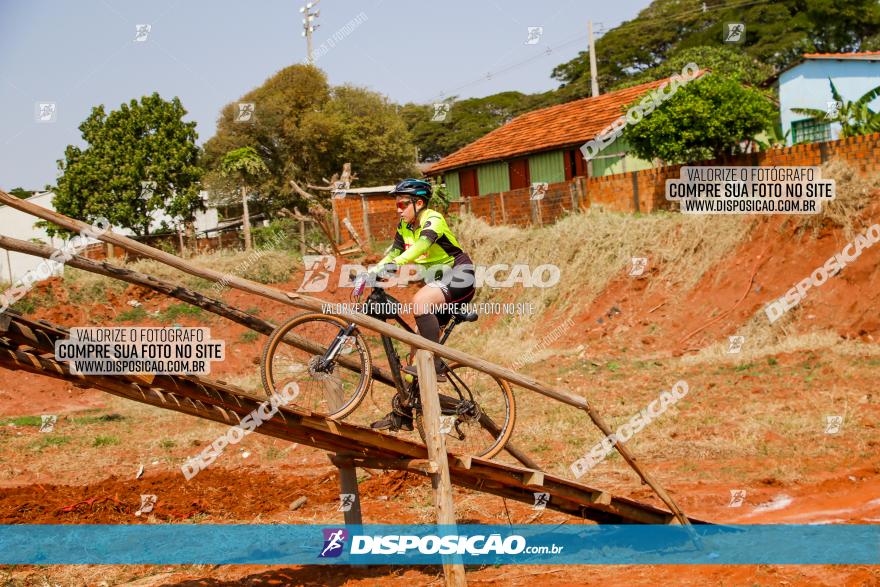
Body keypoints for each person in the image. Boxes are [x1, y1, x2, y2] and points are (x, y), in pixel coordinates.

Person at [366, 179, 476, 431]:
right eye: (397, 204)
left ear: (419, 203)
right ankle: (404, 414)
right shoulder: (405, 225)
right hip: (439, 283)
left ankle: (436, 365)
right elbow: (393, 253)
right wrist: (373, 271)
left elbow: (422, 245)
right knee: (413, 357)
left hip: (460, 275)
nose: (398, 209)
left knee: (420, 301)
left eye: (403, 204)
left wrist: (398, 265)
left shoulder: (433, 219)